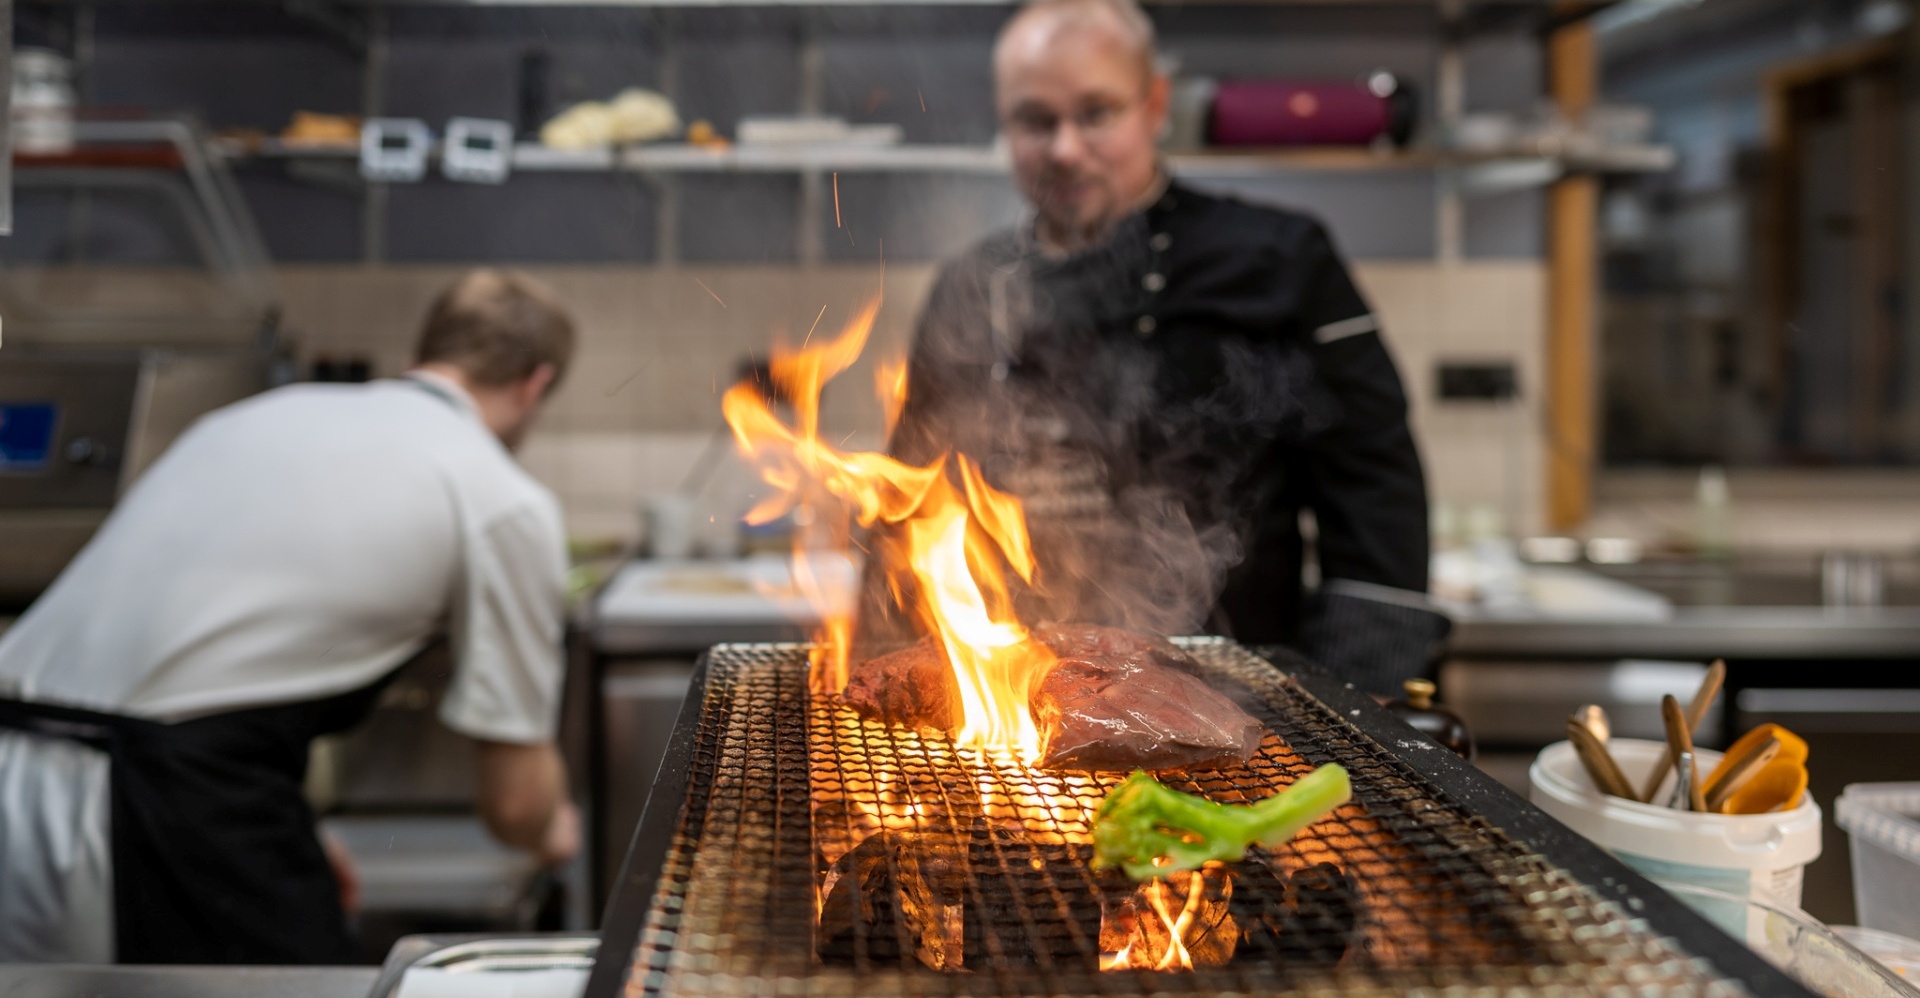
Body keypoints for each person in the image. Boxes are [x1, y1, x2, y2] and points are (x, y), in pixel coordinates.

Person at [0, 269, 582, 964]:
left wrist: (290, 826)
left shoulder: (254, 418)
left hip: (18, 766)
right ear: (536, 384)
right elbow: (515, 807)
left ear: (420, 355)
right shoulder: (498, 497)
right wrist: (556, 832)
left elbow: (213, 651)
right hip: (152, 808)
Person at [872, 0, 1441, 691]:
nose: (1065, 148)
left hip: (1236, 700)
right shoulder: (969, 285)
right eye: (1035, 120)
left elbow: (1378, 500)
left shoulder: (1280, 258)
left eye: (1096, 113)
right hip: (1012, 710)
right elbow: (906, 507)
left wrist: (1344, 708)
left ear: (1155, 105)